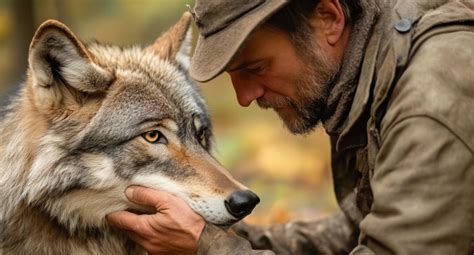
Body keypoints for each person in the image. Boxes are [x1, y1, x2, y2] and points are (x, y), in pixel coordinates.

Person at [106, 0, 474, 254]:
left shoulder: (431, 98)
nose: (244, 98)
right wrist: (216, 231)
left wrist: (207, 246)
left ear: (328, 18)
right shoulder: (376, 65)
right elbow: (357, 232)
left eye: (256, 67)